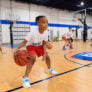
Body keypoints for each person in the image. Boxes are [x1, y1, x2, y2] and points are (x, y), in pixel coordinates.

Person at [14, 15, 57, 88]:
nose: (46, 24)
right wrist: (16, 49)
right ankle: (25, 78)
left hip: (38, 45)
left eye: (47, 22)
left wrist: (44, 54)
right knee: (33, 58)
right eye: (43, 22)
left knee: (47, 56)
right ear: (38, 23)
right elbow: (24, 42)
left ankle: (49, 69)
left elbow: (44, 44)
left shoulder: (46, 33)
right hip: (30, 45)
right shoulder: (32, 32)